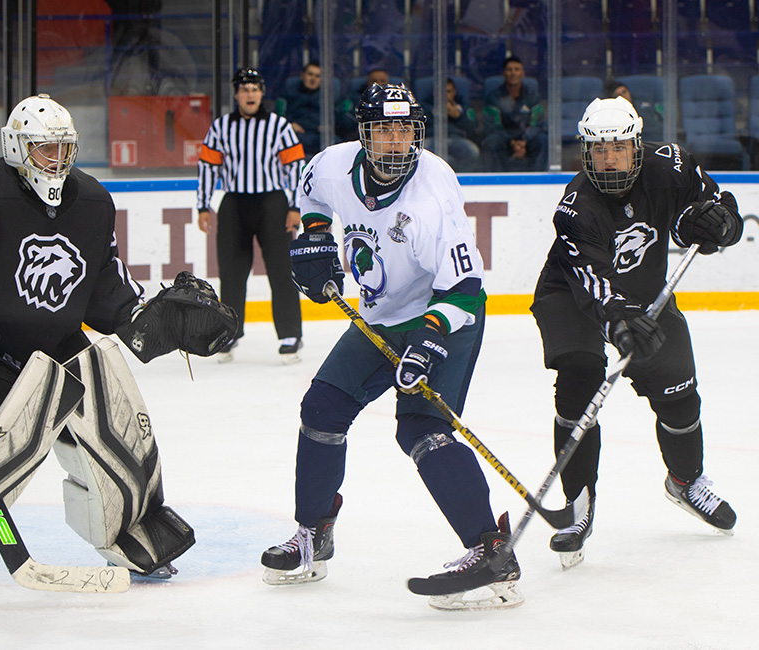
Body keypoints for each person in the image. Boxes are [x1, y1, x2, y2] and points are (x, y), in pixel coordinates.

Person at [0, 94, 226, 604]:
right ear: (16, 147)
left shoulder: (93, 201)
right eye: (43, 149)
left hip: (56, 344)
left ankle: (132, 529)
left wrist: (150, 320)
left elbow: (104, 284)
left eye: (62, 148)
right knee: (8, 449)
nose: (55, 160)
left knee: (112, 404)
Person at [260, 83, 522, 610]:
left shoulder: (432, 195)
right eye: (384, 129)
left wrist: (428, 340)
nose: (396, 140)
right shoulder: (333, 166)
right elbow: (310, 194)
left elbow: (464, 289)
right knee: (322, 408)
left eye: (405, 129)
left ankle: (491, 552)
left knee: (422, 429)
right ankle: (313, 533)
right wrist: (315, 235)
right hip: (381, 317)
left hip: (444, 316)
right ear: (365, 134)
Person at [530, 96, 743, 570]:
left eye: (618, 148)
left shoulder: (672, 166)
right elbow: (593, 285)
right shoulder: (575, 208)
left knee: (679, 394)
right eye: (598, 150)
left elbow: (713, 208)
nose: (608, 159)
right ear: (585, 151)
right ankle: (577, 505)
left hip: (646, 294)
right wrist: (621, 321)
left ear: (637, 146)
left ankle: (685, 482)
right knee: (580, 378)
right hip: (572, 296)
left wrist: (721, 225)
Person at [197, 68, 305, 363]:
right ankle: (229, 333)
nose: (249, 94)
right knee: (231, 274)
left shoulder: (279, 126)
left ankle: (290, 335)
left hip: (273, 204)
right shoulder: (221, 127)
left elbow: (295, 166)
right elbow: (207, 166)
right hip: (234, 204)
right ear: (236, 94)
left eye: (255, 88)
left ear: (262, 93)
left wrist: (295, 206)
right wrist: (203, 206)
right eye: (244, 89)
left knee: (282, 271)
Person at [480, 56, 547, 171]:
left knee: (543, 140)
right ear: (503, 74)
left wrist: (524, 141)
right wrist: (511, 142)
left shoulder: (532, 95)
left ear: (522, 73)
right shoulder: (493, 96)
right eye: (509, 70)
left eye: (517, 69)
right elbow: (492, 126)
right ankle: (497, 178)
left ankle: (537, 177)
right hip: (503, 138)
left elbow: (538, 123)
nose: (513, 73)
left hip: (527, 138)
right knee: (491, 142)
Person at [276, 61, 335, 159]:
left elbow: (339, 117)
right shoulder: (289, 92)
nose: (313, 79)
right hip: (297, 134)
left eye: (317, 76)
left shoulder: (328, 96)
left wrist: (329, 126)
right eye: (310, 74)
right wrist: (290, 124)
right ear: (302, 76)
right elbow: (279, 113)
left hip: (319, 136)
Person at [424, 77, 482, 172]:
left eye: (448, 92)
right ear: (435, 93)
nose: (444, 96)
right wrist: (433, 115)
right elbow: (419, 130)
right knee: (421, 151)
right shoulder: (425, 107)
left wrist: (458, 116)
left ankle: (462, 176)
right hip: (432, 139)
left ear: (454, 92)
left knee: (472, 150)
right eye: (441, 92)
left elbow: (473, 133)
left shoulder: (464, 108)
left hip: (457, 139)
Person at [336, 67, 392, 142]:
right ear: (368, 82)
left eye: (382, 81)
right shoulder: (354, 100)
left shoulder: (396, 101)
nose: (379, 84)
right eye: (374, 81)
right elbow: (345, 124)